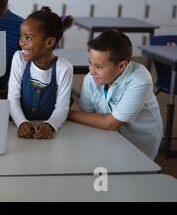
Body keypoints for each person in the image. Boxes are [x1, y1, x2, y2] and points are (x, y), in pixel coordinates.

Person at [68, 30, 163, 159]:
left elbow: (110, 123)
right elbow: (87, 115)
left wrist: (66, 112)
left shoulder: (140, 80)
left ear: (121, 66)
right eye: (90, 63)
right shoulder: (90, 79)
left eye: (99, 67)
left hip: (139, 144)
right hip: (108, 138)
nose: (91, 71)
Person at [8, 7, 74, 139]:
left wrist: (50, 125)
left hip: (46, 131)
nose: (21, 42)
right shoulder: (19, 58)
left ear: (49, 42)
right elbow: (12, 98)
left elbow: (62, 107)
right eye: (21, 36)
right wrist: (21, 122)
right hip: (16, 126)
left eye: (28, 38)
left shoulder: (64, 68)